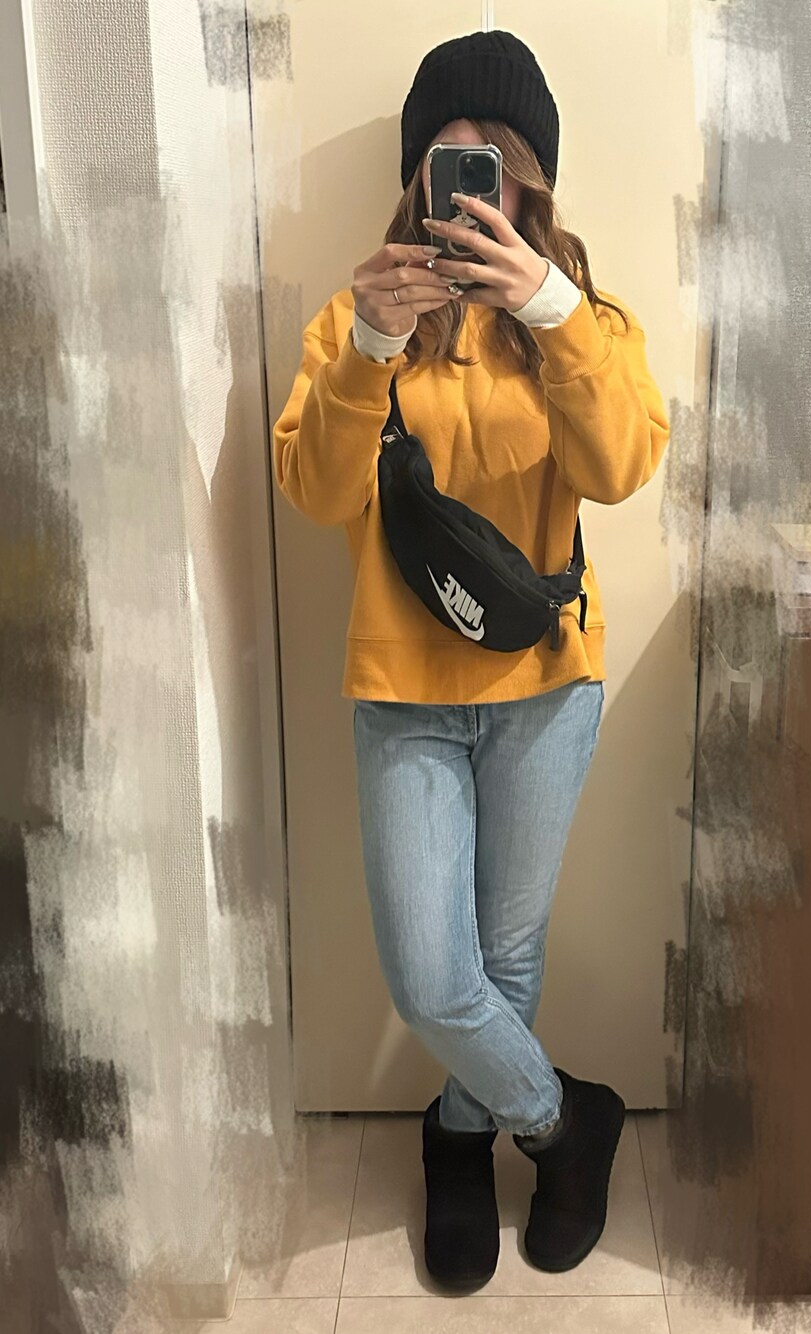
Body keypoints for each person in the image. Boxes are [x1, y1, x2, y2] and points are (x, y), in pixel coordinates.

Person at [272, 29, 670, 1292]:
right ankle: (563, 1121)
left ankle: (458, 1135)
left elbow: (622, 466)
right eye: (445, 161)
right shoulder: (357, 319)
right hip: (404, 690)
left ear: (528, 179)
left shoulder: (579, 319)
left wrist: (547, 307)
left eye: (490, 161)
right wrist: (370, 347)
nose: (464, 188)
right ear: (415, 176)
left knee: (504, 960)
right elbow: (315, 490)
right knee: (434, 976)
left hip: (546, 683)